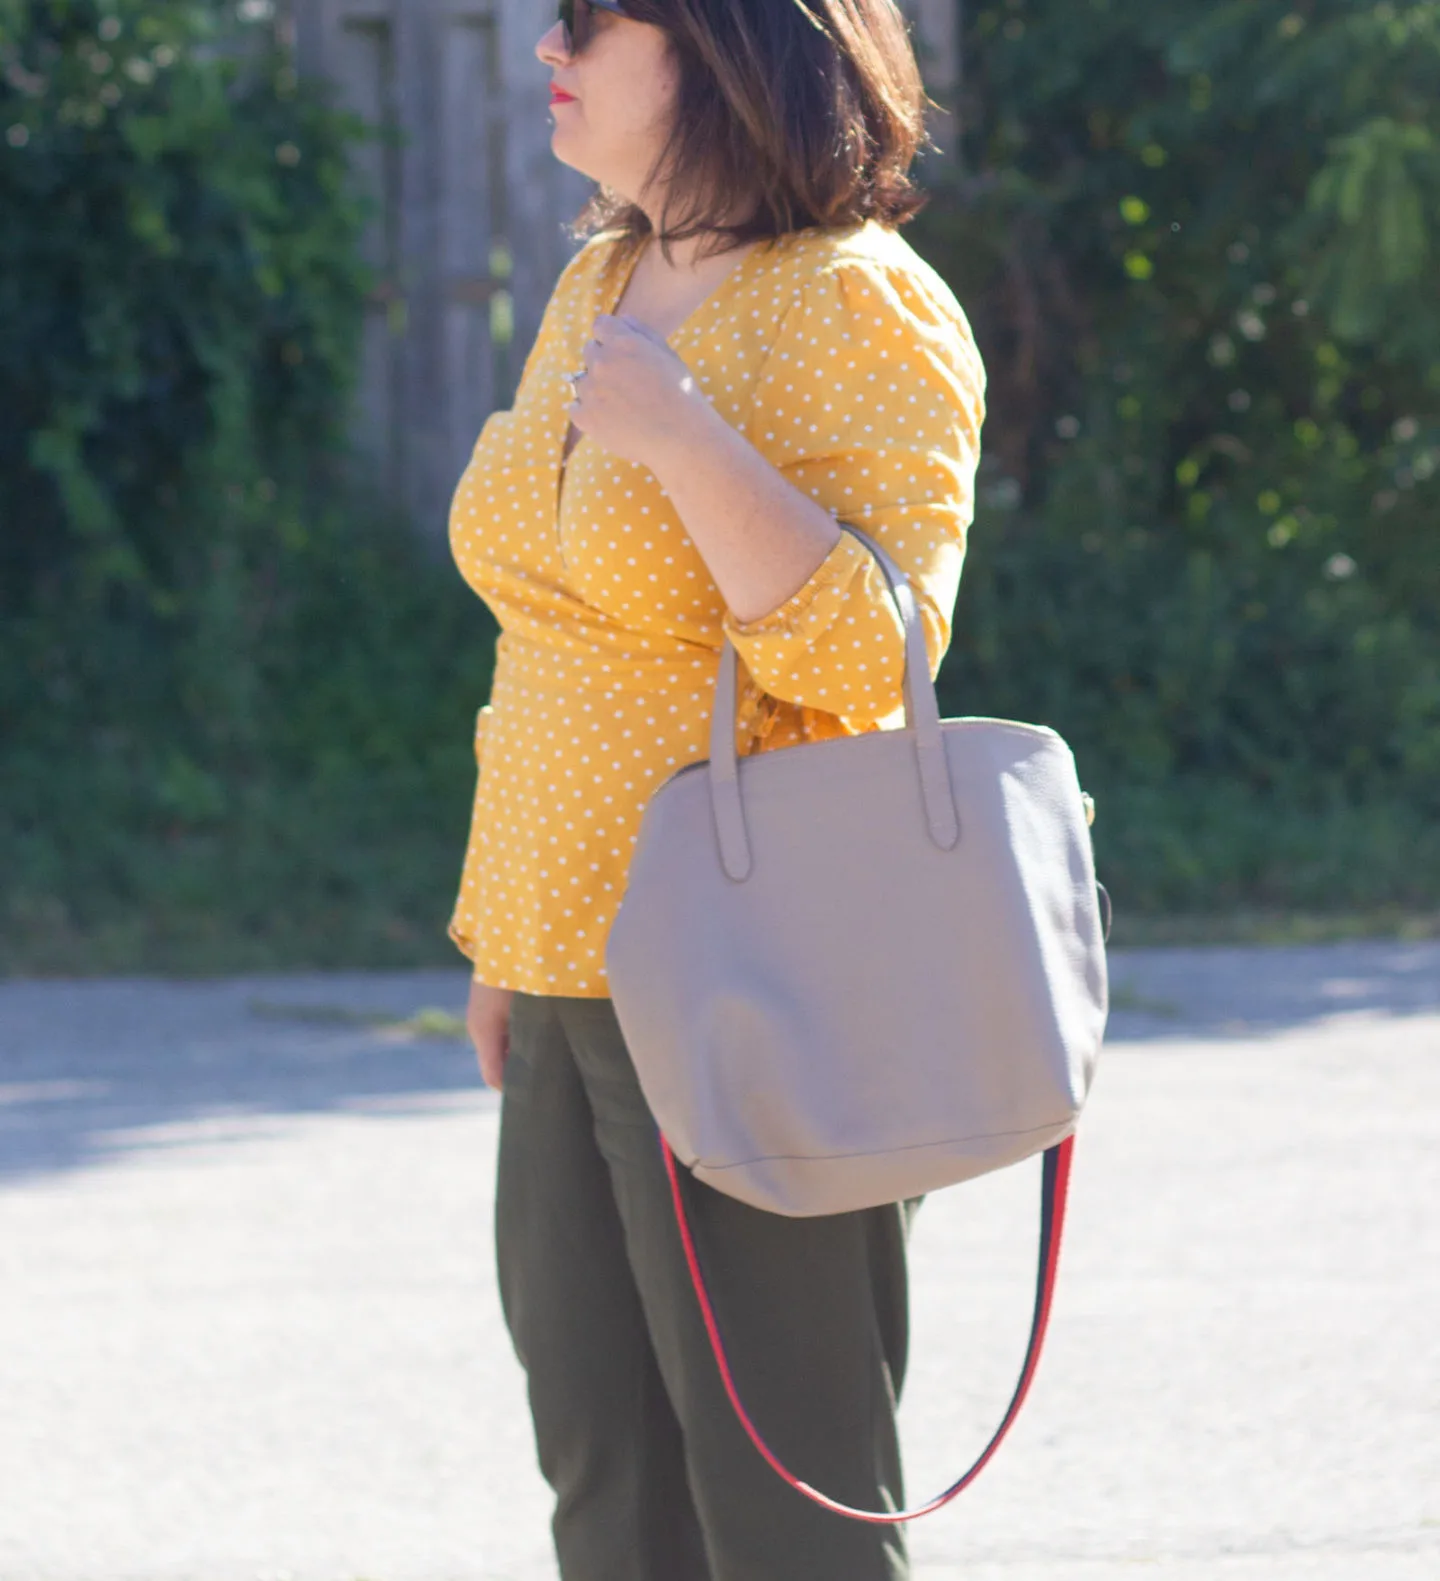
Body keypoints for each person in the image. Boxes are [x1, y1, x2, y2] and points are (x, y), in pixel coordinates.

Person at [451, 3, 986, 1576]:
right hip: (560, 960)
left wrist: (687, 443)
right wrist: (502, 940)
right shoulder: (595, 280)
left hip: (750, 982)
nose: (545, 43)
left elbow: (878, 658)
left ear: (727, 44)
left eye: (588, 19)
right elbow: (550, 647)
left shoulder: (857, 303)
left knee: (784, 1509)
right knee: (607, 1492)